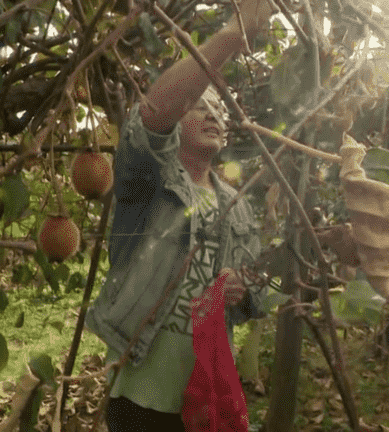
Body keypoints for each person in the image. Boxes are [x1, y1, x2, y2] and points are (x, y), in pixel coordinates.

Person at [85, 1, 275, 430]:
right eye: (200, 106)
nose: (214, 114)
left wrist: (241, 289)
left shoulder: (238, 205)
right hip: (138, 389)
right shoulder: (149, 183)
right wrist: (232, 34)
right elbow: (152, 115)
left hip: (203, 392)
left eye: (221, 111)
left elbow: (251, 300)